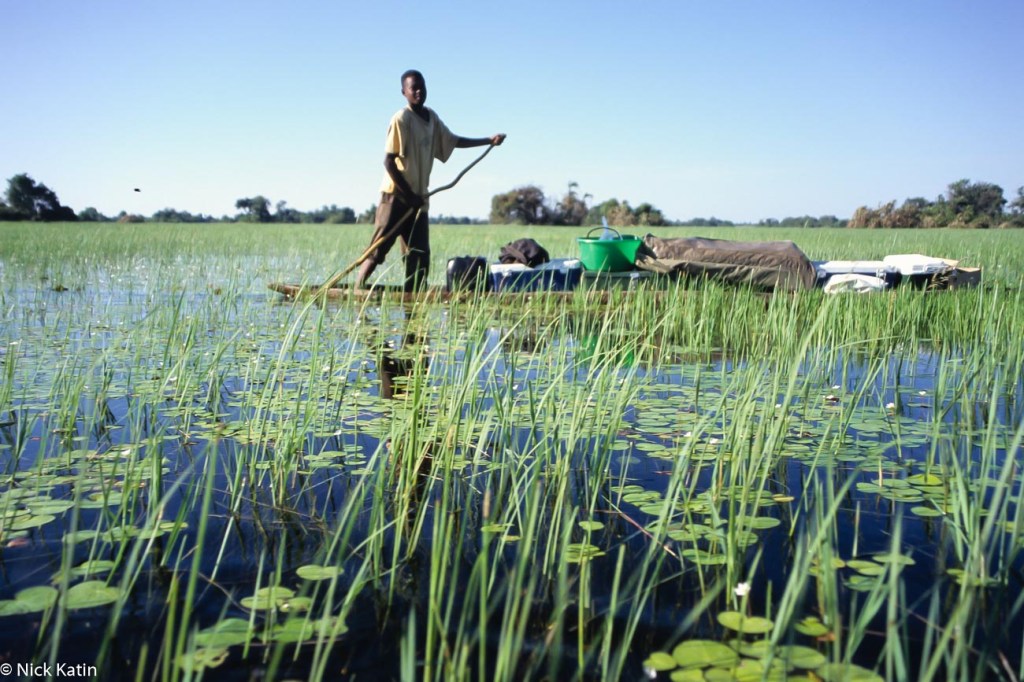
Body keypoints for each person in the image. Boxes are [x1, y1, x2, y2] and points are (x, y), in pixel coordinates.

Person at [355, 69, 506, 292]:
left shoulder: (431, 118)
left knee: (419, 253)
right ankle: (357, 289)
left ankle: (413, 295)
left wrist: (487, 141)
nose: (418, 91)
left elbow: (453, 141)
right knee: (379, 247)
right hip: (396, 196)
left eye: (421, 87)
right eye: (413, 88)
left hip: (419, 199)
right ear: (403, 92)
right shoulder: (401, 119)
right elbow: (388, 161)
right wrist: (409, 196)